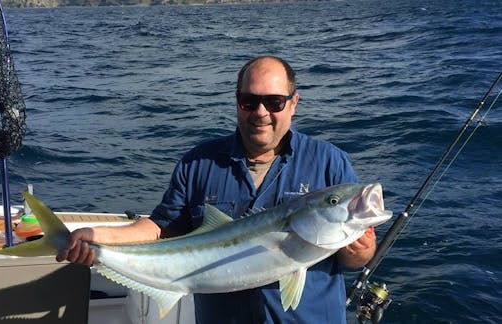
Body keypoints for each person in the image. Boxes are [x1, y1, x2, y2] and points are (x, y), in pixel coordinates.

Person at [56, 55, 377, 323]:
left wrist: (360, 251)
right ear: (237, 103)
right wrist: (97, 239)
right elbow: (159, 228)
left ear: (294, 103)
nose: (261, 112)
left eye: (274, 101)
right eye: (249, 101)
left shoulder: (329, 162)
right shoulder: (199, 163)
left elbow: (354, 259)